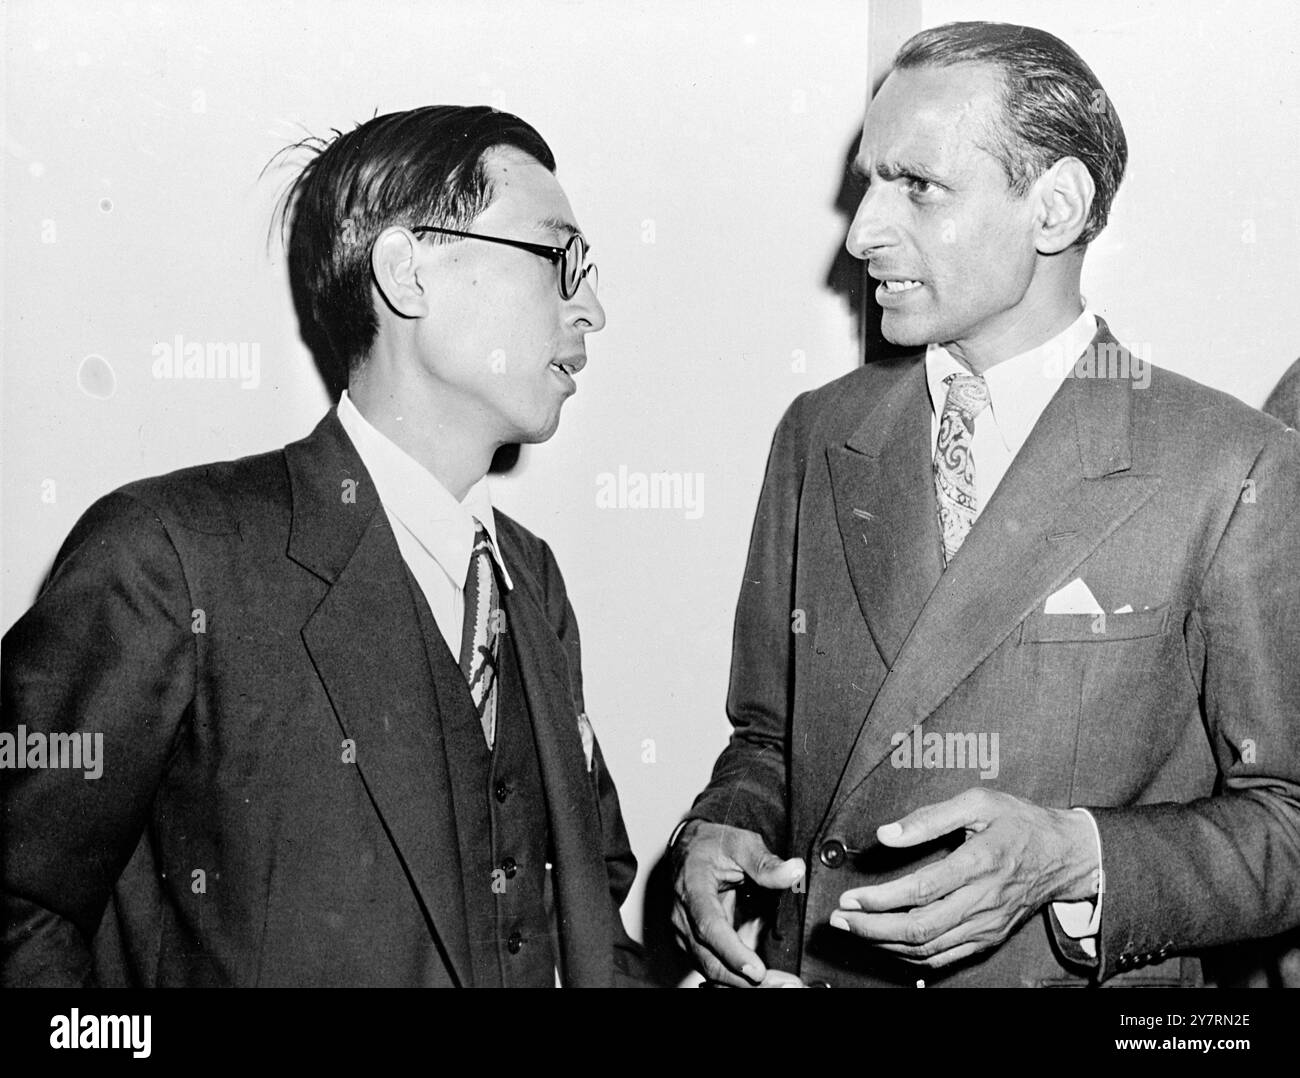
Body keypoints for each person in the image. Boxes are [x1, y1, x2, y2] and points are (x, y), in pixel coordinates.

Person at [672, 21, 1300, 988]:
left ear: (1055, 208)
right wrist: (722, 831)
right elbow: (768, 739)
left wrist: (1076, 854)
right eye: (870, 183)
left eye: (917, 186)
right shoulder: (816, 434)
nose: (861, 232)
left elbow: (1289, 820)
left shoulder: (1231, 464)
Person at [1, 105, 647, 988]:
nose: (594, 309)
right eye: (558, 258)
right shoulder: (169, 553)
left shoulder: (529, 581)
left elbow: (582, 925)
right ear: (406, 272)